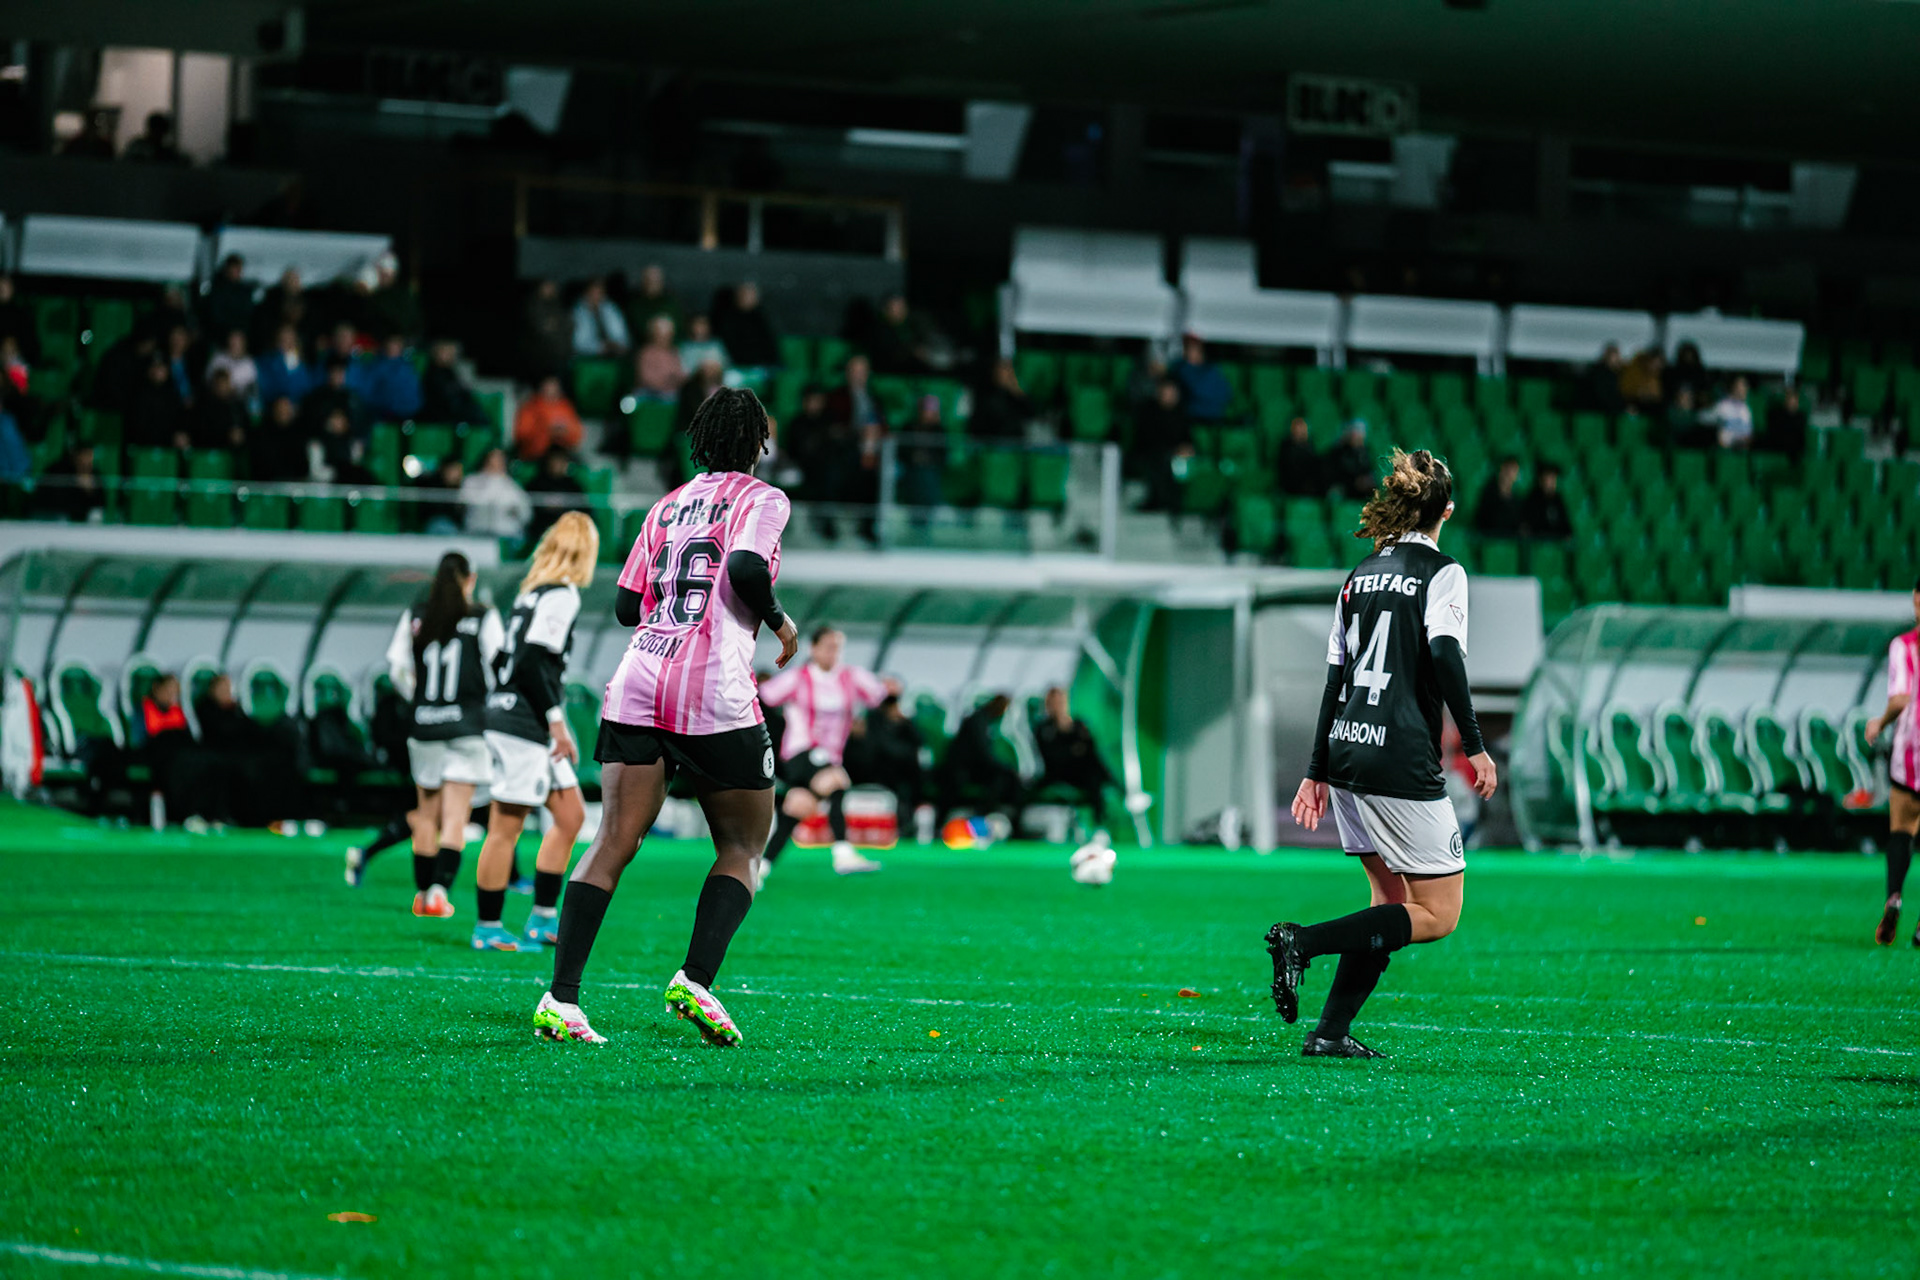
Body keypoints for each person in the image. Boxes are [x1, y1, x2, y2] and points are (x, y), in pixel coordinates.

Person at [534, 387, 800, 1048]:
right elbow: (741, 566)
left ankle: (560, 998)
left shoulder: (667, 503)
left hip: (639, 680)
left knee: (611, 842)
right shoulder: (763, 499)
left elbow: (628, 605)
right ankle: (696, 979)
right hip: (711, 689)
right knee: (743, 846)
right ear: (757, 444)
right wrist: (778, 620)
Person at [1269, 448, 1497, 1060]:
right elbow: (1446, 656)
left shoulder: (1359, 575)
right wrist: (1475, 747)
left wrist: (1316, 771)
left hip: (1346, 752)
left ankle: (1331, 1032)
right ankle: (1303, 943)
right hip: (1398, 759)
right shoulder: (1443, 572)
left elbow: (1334, 679)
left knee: (1389, 904)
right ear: (1446, 509)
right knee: (1439, 913)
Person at [473, 513, 599, 951]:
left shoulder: (532, 591)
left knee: (570, 816)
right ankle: (487, 927)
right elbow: (532, 662)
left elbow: (511, 658)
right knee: (505, 827)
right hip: (524, 723)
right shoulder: (562, 594)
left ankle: (543, 919)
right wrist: (556, 721)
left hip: (517, 717)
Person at [384, 552, 504, 920]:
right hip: (467, 727)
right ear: (470, 579)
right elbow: (498, 664)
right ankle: (438, 892)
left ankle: (421, 896)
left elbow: (396, 668)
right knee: (455, 818)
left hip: (425, 727)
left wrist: (419, 699)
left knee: (425, 815)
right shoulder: (482, 616)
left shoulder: (418, 614)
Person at [757, 626, 896, 879]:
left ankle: (760, 870)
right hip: (801, 752)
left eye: (837, 648)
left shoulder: (849, 677)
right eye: (829, 647)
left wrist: (889, 688)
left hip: (829, 756)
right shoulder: (799, 678)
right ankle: (843, 854)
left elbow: (878, 695)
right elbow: (765, 696)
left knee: (796, 809)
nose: (833, 653)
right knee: (837, 782)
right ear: (814, 648)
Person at [1863, 580, 1920, 947]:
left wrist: (1878, 722)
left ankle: (1894, 897)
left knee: (1901, 827)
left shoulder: (1904, 645)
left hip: (1911, 750)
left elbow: (1901, 698)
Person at [1034, 686, 1121, 855]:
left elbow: (1090, 750)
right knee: (1092, 771)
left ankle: (1099, 825)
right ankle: (1118, 787)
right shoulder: (1044, 729)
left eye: (1061, 702)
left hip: (1082, 773)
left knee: (1094, 772)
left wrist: (1077, 747)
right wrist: (1074, 748)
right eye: (1054, 702)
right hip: (1058, 774)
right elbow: (1054, 757)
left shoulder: (1079, 725)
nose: (1058, 706)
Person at [942, 695, 1024, 822]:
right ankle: (984, 814)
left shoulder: (983, 720)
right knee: (1003, 777)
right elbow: (983, 755)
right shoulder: (978, 721)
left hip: (972, 767)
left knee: (1006, 777)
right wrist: (1007, 768)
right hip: (963, 771)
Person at [844, 694, 926, 822]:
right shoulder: (871, 726)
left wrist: (906, 723)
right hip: (871, 781)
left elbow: (916, 747)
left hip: (898, 784)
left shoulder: (905, 729)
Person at [1132, 378, 1191, 511]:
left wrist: (1186, 447)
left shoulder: (1181, 412)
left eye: (1172, 393)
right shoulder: (1149, 411)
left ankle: (1183, 502)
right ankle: (1159, 499)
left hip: (1177, 454)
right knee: (1161, 460)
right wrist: (1175, 449)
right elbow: (1148, 438)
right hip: (1154, 452)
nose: (1170, 396)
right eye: (1167, 392)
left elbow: (1187, 436)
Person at [460, 447, 531, 540]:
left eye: (500, 459)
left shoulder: (513, 486)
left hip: (506, 535)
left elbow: (526, 514)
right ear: (486, 460)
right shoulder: (471, 481)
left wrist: (515, 511)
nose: (496, 462)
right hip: (477, 533)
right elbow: (465, 503)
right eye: (493, 458)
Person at [350, 333, 423, 423]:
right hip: (380, 413)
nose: (392, 348)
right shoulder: (376, 366)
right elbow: (367, 390)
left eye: (396, 345)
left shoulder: (408, 368)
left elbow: (413, 393)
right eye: (390, 344)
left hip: (406, 414)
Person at [512, 374, 584, 463]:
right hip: (537, 455)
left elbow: (577, 434)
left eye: (554, 385)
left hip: (562, 454)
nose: (551, 389)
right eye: (548, 385)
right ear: (541, 387)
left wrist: (564, 433)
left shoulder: (566, 407)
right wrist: (545, 431)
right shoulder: (530, 407)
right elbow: (522, 434)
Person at [525, 446, 588, 546]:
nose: (556, 464)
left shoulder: (573, 486)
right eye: (554, 460)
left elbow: (584, 509)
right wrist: (545, 507)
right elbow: (527, 506)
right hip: (541, 529)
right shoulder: (536, 483)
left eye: (560, 461)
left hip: (568, 529)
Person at [713, 281, 780, 369]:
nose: (748, 299)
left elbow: (769, 343)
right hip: (739, 365)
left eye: (751, 296)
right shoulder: (729, 319)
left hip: (762, 365)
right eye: (744, 295)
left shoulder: (762, 317)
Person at [33, 444, 106, 522]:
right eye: (84, 455)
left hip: (81, 516)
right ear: (76, 456)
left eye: (90, 456)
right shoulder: (60, 470)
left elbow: (100, 502)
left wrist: (90, 492)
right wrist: (77, 483)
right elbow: (53, 498)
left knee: (96, 515)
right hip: (57, 513)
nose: (87, 460)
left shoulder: (95, 474)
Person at [1170, 334, 1232, 423]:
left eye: (1194, 347)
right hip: (1194, 416)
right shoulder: (1179, 368)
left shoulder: (1214, 369)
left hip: (1214, 416)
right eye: (1188, 347)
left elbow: (1225, 394)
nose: (1191, 351)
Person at [420, 339, 484, 424]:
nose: (451, 355)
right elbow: (444, 400)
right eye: (446, 351)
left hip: (455, 413)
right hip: (441, 418)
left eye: (451, 352)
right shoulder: (433, 374)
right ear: (437, 353)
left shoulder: (449, 371)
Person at [189, 367, 251, 451]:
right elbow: (200, 434)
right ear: (214, 386)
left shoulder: (237, 405)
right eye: (219, 384)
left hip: (234, 453)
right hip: (210, 452)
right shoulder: (204, 407)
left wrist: (241, 435)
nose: (223, 388)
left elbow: (247, 428)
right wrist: (227, 435)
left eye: (225, 383)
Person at [251, 396, 311, 482]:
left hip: (294, 484)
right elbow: (260, 465)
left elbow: (303, 466)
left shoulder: (298, 434)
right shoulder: (262, 433)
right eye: (280, 410)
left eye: (286, 410)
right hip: (268, 483)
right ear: (274, 411)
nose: (283, 412)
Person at [972, 357, 1033, 440]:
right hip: (993, 443)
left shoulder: (1016, 395)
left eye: (1009, 370)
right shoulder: (986, 397)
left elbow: (1030, 415)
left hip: (1016, 443)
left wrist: (1017, 392)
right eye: (1002, 370)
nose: (1006, 374)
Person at [521, 280, 573, 378]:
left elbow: (569, 324)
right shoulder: (534, 305)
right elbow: (542, 328)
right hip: (542, 357)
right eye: (547, 285)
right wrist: (556, 324)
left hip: (562, 354)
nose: (551, 288)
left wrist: (557, 324)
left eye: (552, 285)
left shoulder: (557, 304)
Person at [256, 324, 315, 407]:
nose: (287, 343)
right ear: (277, 341)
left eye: (290, 340)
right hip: (273, 407)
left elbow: (306, 389)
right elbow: (266, 389)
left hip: (296, 409)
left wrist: (292, 361)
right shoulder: (266, 361)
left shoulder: (301, 365)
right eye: (283, 339)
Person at [572, 278, 630, 359]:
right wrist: (601, 347)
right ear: (586, 293)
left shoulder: (611, 308)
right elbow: (578, 343)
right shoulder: (578, 313)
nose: (596, 296)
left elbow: (623, 335)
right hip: (588, 358)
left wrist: (617, 345)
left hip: (614, 354)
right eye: (593, 293)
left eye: (600, 293)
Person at [201, 255, 255, 343]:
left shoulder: (244, 291)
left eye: (240, 269)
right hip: (219, 336)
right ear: (228, 269)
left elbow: (248, 313)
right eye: (236, 268)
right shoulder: (217, 290)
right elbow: (215, 315)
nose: (239, 272)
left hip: (239, 336)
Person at [633, 315, 686, 401]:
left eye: (668, 334)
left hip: (672, 393)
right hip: (650, 394)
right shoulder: (646, 353)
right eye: (661, 334)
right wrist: (666, 381)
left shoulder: (674, 352)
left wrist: (676, 379)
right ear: (653, 334)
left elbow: (680, 375)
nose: (665, 338)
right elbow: (645, 378)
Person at [1322, 419, 1376, 501]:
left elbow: (1367, 470)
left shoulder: (1365, 452)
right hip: (1343, 485)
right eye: (1355, 433)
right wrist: (1355, 481)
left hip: (1360, 489)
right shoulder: (1339, 451)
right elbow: (1335, 472)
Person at [1472, 456, 1525, 537]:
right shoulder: (1488, 495)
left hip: (1510, 541)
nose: (1510, 474)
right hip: (1490, 540)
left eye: (1514, 470)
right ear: (1502, 469)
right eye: (1509, 469)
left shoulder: (1516, 499)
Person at [1519, 463, 1573, 541]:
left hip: (1555, 545)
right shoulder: (1532, 499)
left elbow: (1566, 527)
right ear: (1541, 479)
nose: (1551, 482)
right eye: (1548, 477)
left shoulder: (1558, 500)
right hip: (1538, 544)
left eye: (1553, 478)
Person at [206, 329, 258, 405]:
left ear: (244, 342)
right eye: (232, 339)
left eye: (238, 340)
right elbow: (208, 380)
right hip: (214, 401)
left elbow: (251, 391)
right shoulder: (218, 358)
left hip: (238, 404)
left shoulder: (249, 365)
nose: (234, 343)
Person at [416, 456, 466, 535]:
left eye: (459, 470)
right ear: (444, 470)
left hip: (457, 526)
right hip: (437, 523)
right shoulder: (432, 485)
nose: (457, 474)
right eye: (453, 469)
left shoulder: (462, 487)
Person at [1277, 416, 1322, 497]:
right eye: (1296, 428)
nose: (1299, 431)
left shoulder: (1312, 448)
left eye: (1302, 428)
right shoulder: (1286, 448)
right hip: (1290, 488)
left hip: (1310, 489)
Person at [1710, 375, 1755, 450]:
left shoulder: (1745, 409)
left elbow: (1749, 435)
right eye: (1742, 386)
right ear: (1734, 387)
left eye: (1745, 386)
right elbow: (1717, 436)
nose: (1745, 389)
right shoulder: (1722, 406)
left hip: (1741, 453)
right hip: (1724, 454)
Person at [1764, 384, 1808, 459]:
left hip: (1795, 453)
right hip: (1779, 450)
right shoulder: (1776, 415)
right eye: (1789, 399)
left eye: (1794, 399)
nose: (1792, 402)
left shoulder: (1800, 417)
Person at [1583, 342, 1627, 416]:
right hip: (1598, 410)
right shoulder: (1599, 373)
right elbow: (1603, 395)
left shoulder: (1618, 373)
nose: (1618, 359)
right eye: (1615, 356)